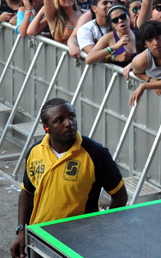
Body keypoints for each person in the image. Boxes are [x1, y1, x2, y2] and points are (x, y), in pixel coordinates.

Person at [10, 98, 127, 258]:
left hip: (77, 246)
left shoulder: (96, 154)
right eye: (59, 120)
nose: (69, 123)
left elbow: (120, 196)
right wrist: (22, 230)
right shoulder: (35, 152)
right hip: (39, 240)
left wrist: (102, 232)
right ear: (47, 128)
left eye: (72, 116)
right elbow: (26, 191)